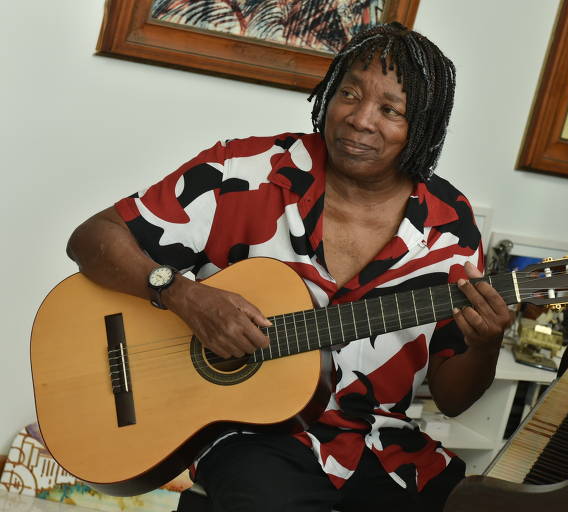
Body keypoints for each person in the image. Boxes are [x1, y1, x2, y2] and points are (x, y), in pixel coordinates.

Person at [67, 22, 512, 512]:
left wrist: (485, 342)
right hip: (250, 436)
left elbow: (453, 398)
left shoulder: (450, 227)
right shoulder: (242, 172)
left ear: (423, 126)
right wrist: (183, 295)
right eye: (349, 93)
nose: (360, 120)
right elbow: (93, 238)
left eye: (391, 110)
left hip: (385, 448)